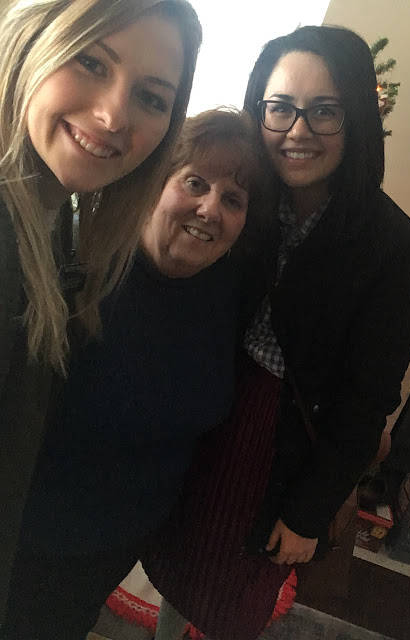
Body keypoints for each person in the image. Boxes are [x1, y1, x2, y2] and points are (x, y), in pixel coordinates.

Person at [141, 25, 410, 640]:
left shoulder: (391, 245)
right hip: (203, 412)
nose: (298, 131)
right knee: (173, 561)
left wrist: (309, 511)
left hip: (279, 447)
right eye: (280, 107)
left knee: (230, 596)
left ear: (356, 119)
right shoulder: (243, 198)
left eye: (324, 111)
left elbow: (368, 399)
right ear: (260, 110)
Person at [2, 107, 270, 640]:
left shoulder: (229, 291)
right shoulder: (79, 262)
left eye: (233, 199)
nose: (210, 209)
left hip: (122, 539)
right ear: (157, 182)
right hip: (29, 536)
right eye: (195, 182)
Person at [0, 0, 201, 630]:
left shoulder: (56, 218)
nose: (114, 116)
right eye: (91, 62)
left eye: (151, 97)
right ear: (34, 42)